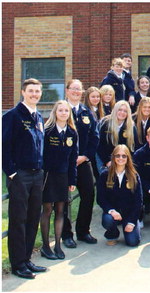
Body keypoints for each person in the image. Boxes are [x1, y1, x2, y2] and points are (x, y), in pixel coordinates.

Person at [2, 78, 48, 279]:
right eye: (31, 91)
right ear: (23, 92)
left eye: (38, 91)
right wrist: (11, 172)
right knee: (19, 220)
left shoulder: (38, 116)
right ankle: (18, 264)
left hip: (37, 175)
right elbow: (4, 146)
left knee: (32, 218)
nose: (35, 94)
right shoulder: (12, 116)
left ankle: (27, 259)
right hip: (19, 175)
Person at [62, 80, 99, 249]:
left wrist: (84, 156)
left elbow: (94, 137)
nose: (77, 92)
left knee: (88, 195)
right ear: (67, 90)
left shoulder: (86, 112)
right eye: (73, 89)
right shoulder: (61, 109)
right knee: (62, 200)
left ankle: (83, 231)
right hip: (63, 163)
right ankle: (66, 235)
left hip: (83, 162)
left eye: (79, 89)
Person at [40, 101, 78, 260]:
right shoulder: (47, 131)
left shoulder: (72, 133)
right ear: (55, 112)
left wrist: (72, 180)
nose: (63, 113)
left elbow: (73, 159)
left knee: (61, 211)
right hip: (49, 176)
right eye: (60, 110)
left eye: (66, 111)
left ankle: (57, 245)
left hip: (63, 176)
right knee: (47, 210)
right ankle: (45, 246)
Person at [96, 145, 142, 247]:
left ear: (128, 158)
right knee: (108, 220)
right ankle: (112, 234)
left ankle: (133, 227)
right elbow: (100, 198)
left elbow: (138, 201)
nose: (120, 158)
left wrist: (132, 222)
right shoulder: (105, 175)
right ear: (113, 157)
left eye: (124, 156)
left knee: (133, 242)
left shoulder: (134, 176)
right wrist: (111, 211)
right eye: (118, 156)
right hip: (113, 213)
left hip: (129, 213)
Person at [96, 101, 139, 172]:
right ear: (115, 110)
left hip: (124, 161)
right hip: (106, 160)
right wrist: (107, 162)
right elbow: (100, 145)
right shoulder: (106, 124)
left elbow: (134, 147)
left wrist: (127, 163)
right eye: (120, 110)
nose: (122, 113)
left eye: (125, 111)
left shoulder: (131, 126)